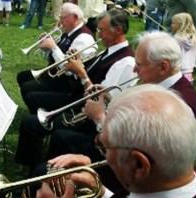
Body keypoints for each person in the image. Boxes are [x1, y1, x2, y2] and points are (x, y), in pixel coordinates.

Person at [38, 84, 196, 198]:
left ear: (139, 165)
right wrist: (100, 191)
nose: (102, 153)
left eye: (105, 146)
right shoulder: (184, 177)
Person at [15, 9, 136, 173]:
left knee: (34, 124)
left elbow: (103, 101)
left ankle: (37, 171)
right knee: (31, 117)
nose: (98, 35)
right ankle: (31, 165)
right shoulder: (107, 50)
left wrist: (81, 72)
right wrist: (76, 63)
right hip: (77, 100)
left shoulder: (126, 63)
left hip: (88, 117)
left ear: (119, 30)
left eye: (102, 30)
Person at [171, 13, 196, 82]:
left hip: (177, 71)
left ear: (181, 25)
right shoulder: (194, 38)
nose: (171, 25)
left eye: (173, 23)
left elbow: (171, 53)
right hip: (189, 73)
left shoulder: (177, 39)